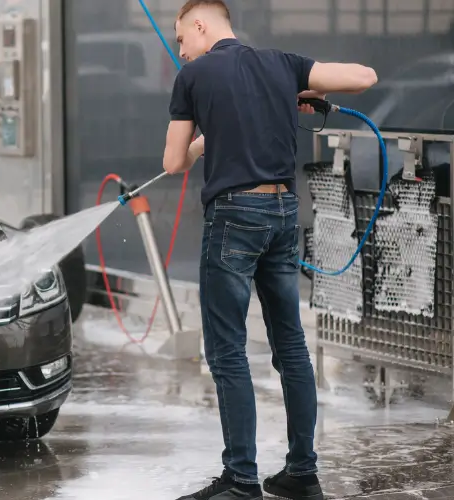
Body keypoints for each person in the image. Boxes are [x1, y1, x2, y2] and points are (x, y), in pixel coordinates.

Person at [161, 1, 378, 499]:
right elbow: (365, 77)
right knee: (292, 346)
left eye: (181, 40)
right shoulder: (283, 63)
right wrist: (301, 88)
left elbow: (173, 161)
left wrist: (201, 140)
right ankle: (302, 472)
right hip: (282, 214)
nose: (181, 51)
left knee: (227, 352)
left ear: (200, 25)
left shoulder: (192, 78)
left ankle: (240, 481)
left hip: (234, 218)